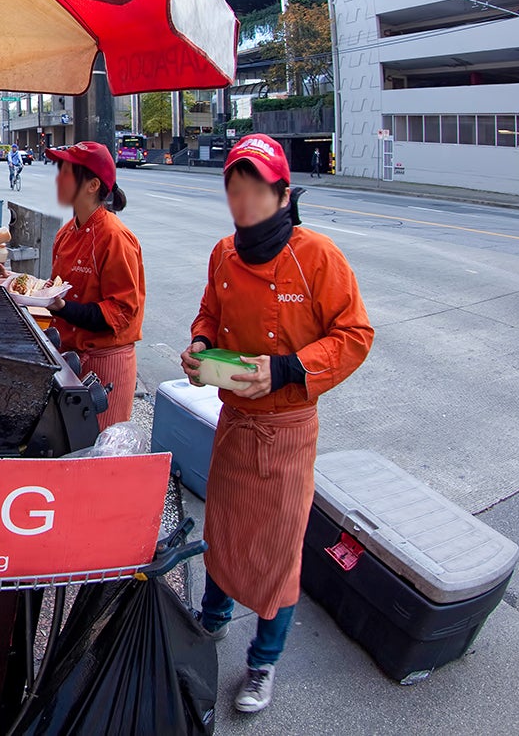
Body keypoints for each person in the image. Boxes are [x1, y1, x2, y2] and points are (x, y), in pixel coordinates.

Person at [180, 134, 373, 714]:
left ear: (283, 194)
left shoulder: (318, 256)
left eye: (255, 190)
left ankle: (263, 664)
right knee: (225, 534)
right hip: (235, 422)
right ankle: (211, 621)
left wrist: (287, 369)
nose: (242, 202)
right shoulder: (223, 254)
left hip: (288, 432)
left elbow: (355, 336)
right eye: (234, 190)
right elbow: (210, 311)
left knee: (279, 554)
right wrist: (200, 344)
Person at [41, 142, 145, 429]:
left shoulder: (114, 236)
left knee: (101, 450)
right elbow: (60, 288)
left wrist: (64, 307)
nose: (59, 180)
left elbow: (122, 312)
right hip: (70, 355)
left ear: (92, 185)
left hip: (105, 362)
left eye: (67, 173)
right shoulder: (66, 232)